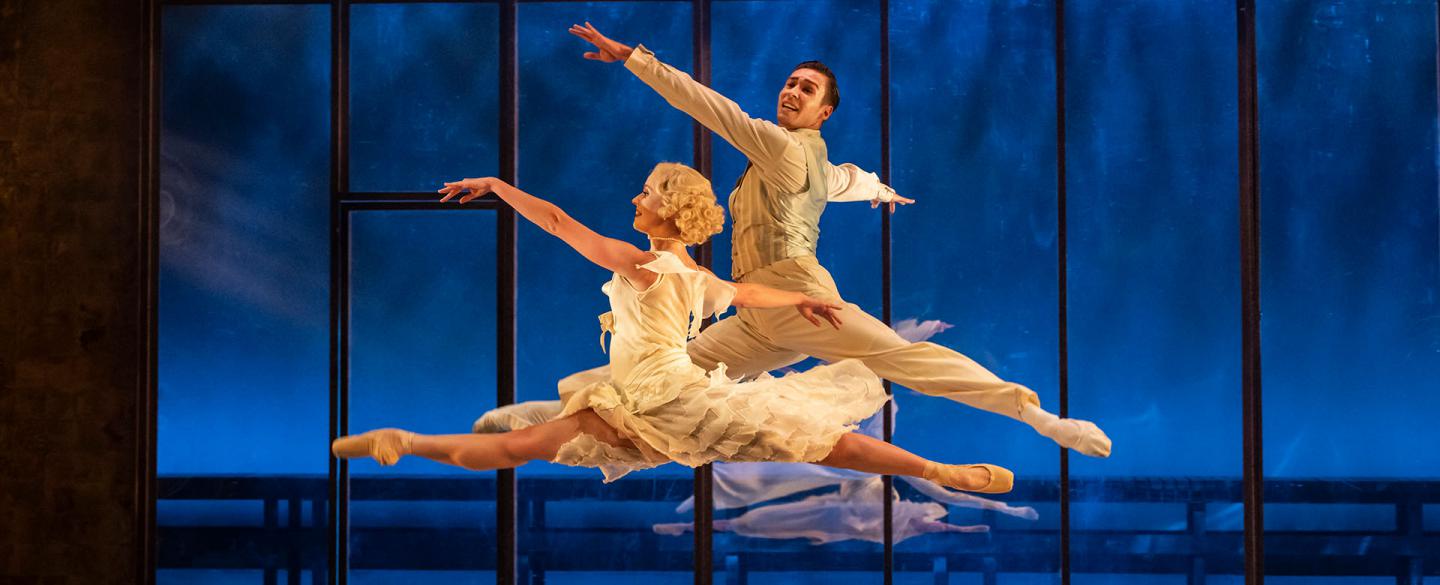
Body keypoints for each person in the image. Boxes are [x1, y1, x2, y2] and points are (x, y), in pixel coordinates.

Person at [569, 23, 1110, 457]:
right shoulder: (806, 160)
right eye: (790, 81)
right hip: (758, 315)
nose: (791, 90)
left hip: (800, 298)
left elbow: (710, 107)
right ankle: (548, 425)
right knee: (662, 377)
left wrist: (634, 59)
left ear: (823, 112)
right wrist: (881, 188)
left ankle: (1037, 415)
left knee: (902, 357)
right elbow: (845, 180)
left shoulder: (780, 147)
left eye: (807, 88)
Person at [331, 163, 1012, 493]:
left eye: (649, 192)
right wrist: (797, 303)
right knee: (528, 442)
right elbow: (743, 290)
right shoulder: (691, 275)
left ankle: (412, 441)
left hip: (665, 398)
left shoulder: (646, 265)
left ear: (669, 212)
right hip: (643, 398)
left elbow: (559, 223)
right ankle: (404, 439)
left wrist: (499, 185)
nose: (637, 197)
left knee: (820, 441)